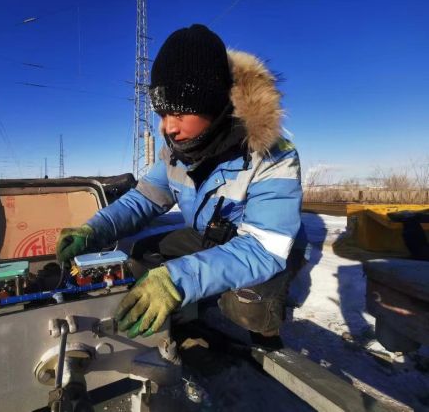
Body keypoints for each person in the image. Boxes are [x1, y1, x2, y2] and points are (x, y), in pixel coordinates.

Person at [56, 24, 303, 348]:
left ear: (214, 105)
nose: (168, 128)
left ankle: (266, 338)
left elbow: (263, 248)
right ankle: (185, 322)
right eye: (161, 113)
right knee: (143, 254)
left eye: (179, 113)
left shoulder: (272, 154)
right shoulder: (177, 154)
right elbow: (143, 199)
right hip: (210, 237)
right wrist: (95, 229)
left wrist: (178, 279)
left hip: (264, 247)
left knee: (247, 304)